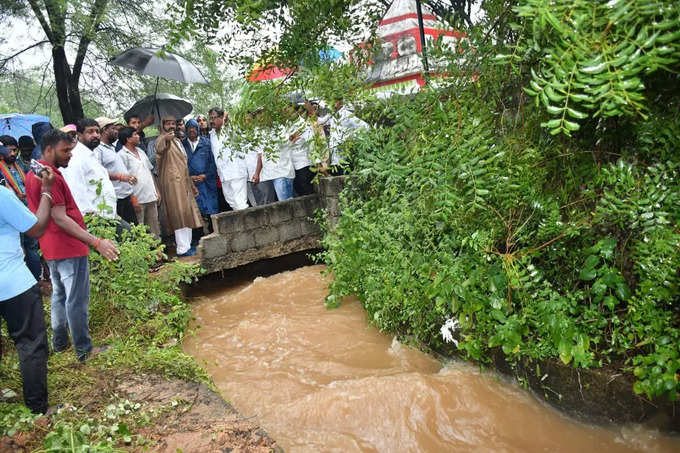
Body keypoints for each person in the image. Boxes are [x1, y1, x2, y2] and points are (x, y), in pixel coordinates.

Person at [24, 129, 119, 363]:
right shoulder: (50, 177)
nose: (70, 155)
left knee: (59, 295)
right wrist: (96, 241)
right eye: (65, 150)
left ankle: (60, 343)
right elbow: (59, 217)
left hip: (51, 247)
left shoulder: (35, 172)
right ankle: (84, 350)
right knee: (76, 299)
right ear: (48, 149)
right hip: (68, 246)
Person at [0, 159, 56, 414]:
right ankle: (38, 410)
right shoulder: (1, 194)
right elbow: (36, 228)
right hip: (12, 282)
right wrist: (46, 190)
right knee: (31, 343)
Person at [154, 116, 203, 256]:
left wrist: (192, 185)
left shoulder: (177, 141)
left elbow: (184, 166)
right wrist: (165, 139)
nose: (171, 126)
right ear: (162, 126)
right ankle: (182, 249)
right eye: (167, 124)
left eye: (173, 123)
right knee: (178, 214)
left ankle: (186, 246)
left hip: (183, 183)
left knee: (186, 214)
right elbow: (159, 149)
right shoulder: (161, 140)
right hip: (172, 184)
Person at [0, 138, 42, 280]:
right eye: (9, 151)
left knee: (31, 247)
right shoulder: (0, 170)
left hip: (28, 212)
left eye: (15, 150)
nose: (12, 153)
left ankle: (36, 279)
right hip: (10, 215)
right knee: (17, 248)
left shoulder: (21, 165)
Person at [61, 118, 118, 219]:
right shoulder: (75, 158)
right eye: (90, 132)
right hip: (94, 219)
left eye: (97, 131)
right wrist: (90, 219)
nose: (95, 135)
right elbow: (76, 192)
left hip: (107, 215)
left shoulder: (92, 154)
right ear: (79, 135)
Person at [118, 127, 161, 238]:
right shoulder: (122, 155)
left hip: (150, 196)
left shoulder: (141, 151)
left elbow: (149, 172)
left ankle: (158, 253)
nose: (138, 136)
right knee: (140, 230)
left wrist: (157, 191)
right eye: (135, 134)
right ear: (128, 139)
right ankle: (146, 254)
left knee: (154, 228)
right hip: (138, 199)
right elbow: (124, 180)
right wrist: (133, 199)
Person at [94, 117, 138, 224]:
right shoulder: (98, 149)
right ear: (104, 130)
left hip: (126, 197)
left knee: (134, 231)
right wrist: (120, 177)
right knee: (123, 234)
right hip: (115, 200)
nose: (116, 131)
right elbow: (98, 172)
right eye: (113, 128)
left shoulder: (112, 147)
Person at [209, 107, 249, 211]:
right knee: (231, 202)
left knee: (240, 203)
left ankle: (247, 225)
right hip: (223, 175)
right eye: (210, 118)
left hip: (236, 173)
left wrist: (227, 120)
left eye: (214, 118)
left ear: (222, 118)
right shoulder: (212, 134)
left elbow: (235, 129)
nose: (212, 121)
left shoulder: (231, 129)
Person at [183, 119, 218, 232]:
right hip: (192, 183)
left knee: (211, 208)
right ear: (186, 130)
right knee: (195, 209)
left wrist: (205, 175)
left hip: (207, 181)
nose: (192, 130)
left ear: (197, 129)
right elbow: (181, 164)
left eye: (194, 127)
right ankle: (198, 235)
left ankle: (214, 231)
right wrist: (189, 177)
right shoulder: (182, 145)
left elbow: (213, 162)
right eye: (189, 128)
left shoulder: (206, 142)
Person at [323, 98, 369, 175]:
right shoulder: (332, 115)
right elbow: (319, 121)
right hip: (334, 157)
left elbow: (365, 127)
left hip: (344, 156)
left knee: (345, 178)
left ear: (340, 102)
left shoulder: (346, 114)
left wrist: (349, 137)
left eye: (333, 101)